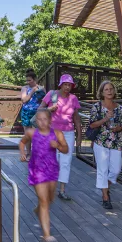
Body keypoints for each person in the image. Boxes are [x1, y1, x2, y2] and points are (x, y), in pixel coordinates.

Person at [19, 108, 69, 242]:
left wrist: (58, 146)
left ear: (50, 120)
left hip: (52, 169)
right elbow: (22, 142)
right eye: (39, 119)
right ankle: (47, 235)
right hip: (37, 169)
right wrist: (22, 153)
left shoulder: (57, 133)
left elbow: (66, 149)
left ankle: (38, 209)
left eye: (44, 119)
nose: (41, 122)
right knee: (44, 201)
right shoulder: (31, 132)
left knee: (49, 198)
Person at [41, 73, 82, 201]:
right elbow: (39, 110)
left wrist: (79, 135)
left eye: (69, 85)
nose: (67, 87)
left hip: (68, 133)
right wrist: (49, 109)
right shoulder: (51, 95)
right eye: (65, 84)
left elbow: (76, 118)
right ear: (60, 85)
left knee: (66, 161)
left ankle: (62, 190)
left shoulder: (73, 99)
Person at [88, 80, 122, 210]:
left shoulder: (119, 108)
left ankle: (105, 187)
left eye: (111, 89)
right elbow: (92, 124)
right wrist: (105, 119)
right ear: (102, 92)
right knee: (103, 170)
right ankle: (105, 197)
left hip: (116, 141)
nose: (109, 91)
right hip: (101, 141)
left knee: (116, 169)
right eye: (106, 89)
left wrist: (119, 128)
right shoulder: (97, 107)